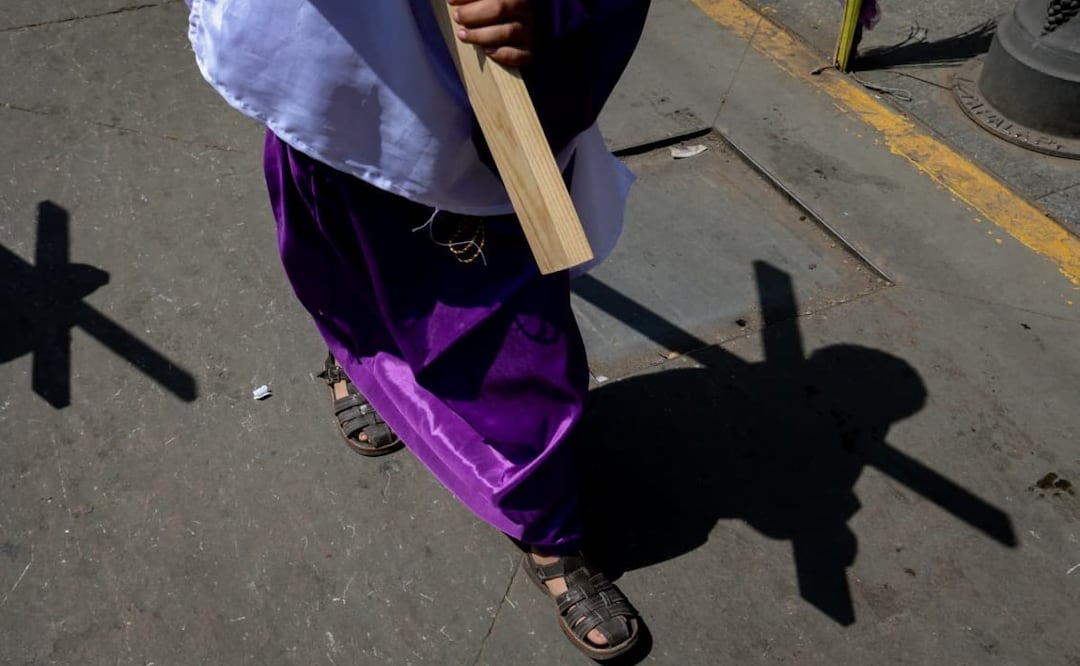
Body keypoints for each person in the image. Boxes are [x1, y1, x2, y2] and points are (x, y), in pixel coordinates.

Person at [187, 0, 649, 658]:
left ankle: (551, 533)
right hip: (326, 58)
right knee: (344, 254)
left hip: (473, 85)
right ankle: (358, 354)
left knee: (515, 342)